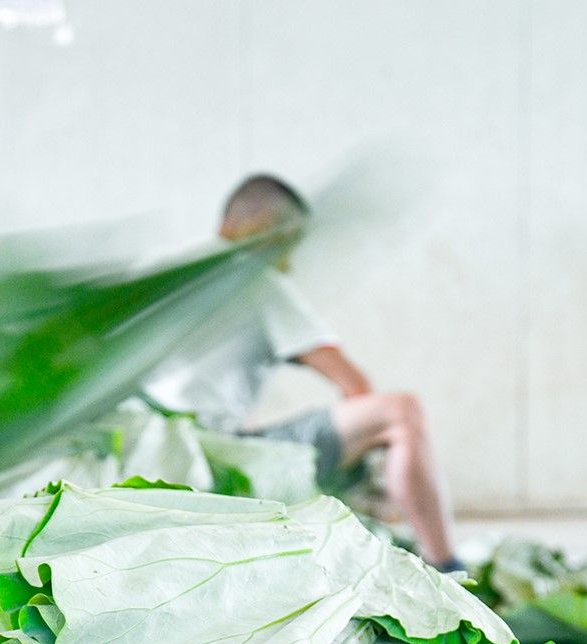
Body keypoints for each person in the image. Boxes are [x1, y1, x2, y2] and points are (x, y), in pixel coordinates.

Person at [145, 173, 461, 570]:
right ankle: (446, 566)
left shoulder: (158, 273)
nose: (288, 261)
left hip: (148, 457)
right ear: (252, 227)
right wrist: (364, 473)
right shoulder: (258, 282)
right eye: (286, 243)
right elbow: (355, 384)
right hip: (218, 461)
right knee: (400, 413)